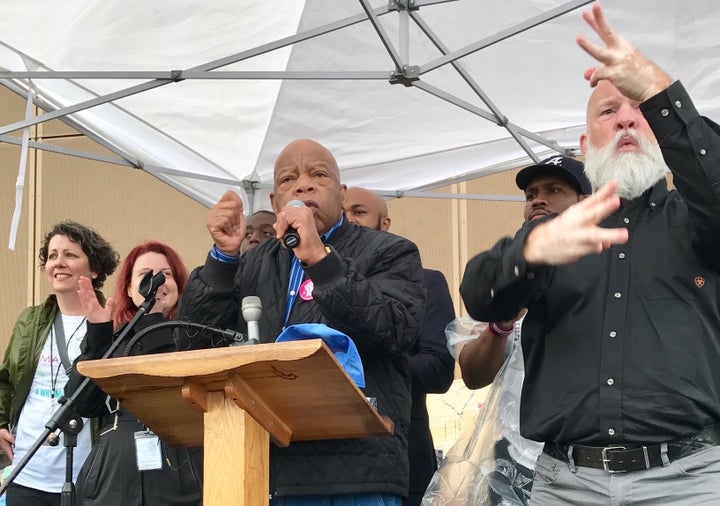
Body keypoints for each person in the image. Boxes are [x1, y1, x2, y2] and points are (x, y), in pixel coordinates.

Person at [460, 4, 720, 505]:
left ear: (664, 135)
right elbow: (479, 296)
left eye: (640, 109)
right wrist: (533, 249)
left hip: (691, 481)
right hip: (567, 484)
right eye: (608, 111)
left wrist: (661, 93)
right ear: (585, 144)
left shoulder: (698, 219)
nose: (626, 119)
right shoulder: (552, 235)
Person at [177, 139, 426, 505]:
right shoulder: (252, 263)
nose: (303, 184)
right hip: (264, 468)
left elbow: (397, 329)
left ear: (342, 195)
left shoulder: (389, 251)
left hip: (358, 473)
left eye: (318, 175)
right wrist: (222, 259)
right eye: (288, 178)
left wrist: (319, 259)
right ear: (276, 203)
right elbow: (195, 345)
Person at [456, 156, 590, 506]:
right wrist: (501, 325)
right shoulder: (505, 273)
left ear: (584, 202)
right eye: (531, 193)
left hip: (584, 462)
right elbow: (471, 374)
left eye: (554, 190)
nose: (538, 199)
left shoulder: (605, 267)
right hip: (516, 457)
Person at [65, 241, 202, 506]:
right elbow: (81, 402)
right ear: (129, 288)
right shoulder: (111, 338)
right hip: (113, 478)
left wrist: (152, 319)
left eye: (167, 274)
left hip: (178, 478)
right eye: (145, 275)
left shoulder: (194, 335)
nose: (157, 281)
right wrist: (97, 334)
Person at [344, 187, 455, 506]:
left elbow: (438, 369)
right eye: (345, 212)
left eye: (360, 211)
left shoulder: (425, 282)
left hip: (402, 447)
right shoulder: (315, 284)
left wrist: (355, 368)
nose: (350, 219)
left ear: (385, 223)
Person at [0, 221, 119, 506]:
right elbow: (6, 380)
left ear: (94, 269)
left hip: (86, 476)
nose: (58, 262)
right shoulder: (30, 320)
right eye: (52, 255)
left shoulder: (112, 323)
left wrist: (101, 333)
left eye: (70, 254)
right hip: (26, 471)